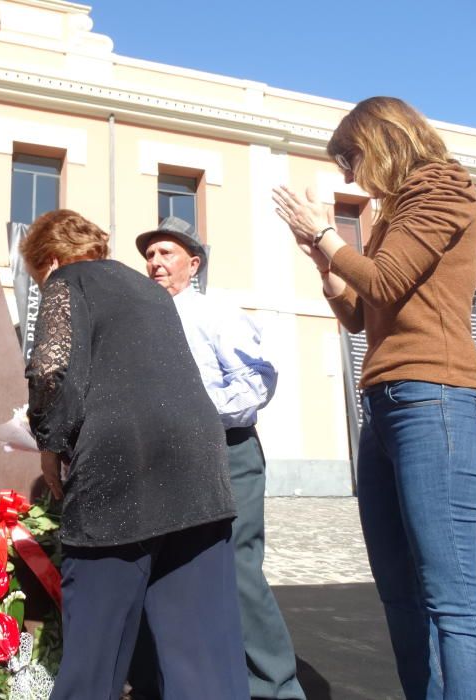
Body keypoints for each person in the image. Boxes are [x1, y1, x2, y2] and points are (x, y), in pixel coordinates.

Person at [273, 96, 476, 699]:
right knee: (401, 596)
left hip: (437, 399)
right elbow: (360, 311)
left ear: (379, 140)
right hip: (386, 406)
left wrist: (324, 233)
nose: (350, 176)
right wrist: (321, 261)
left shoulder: (442, 187)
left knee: (452, 600)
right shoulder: (392, 214)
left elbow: (385, 279)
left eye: (349, 159)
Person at [21, 209, 249, 700]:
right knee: (201, 650)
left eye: (38, 277)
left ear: (54, 258)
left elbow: (51, 371)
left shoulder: (67, 280)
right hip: (200, 468)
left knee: (95, 650)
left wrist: (49, 441)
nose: (44, 286)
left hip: (120, 470)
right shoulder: (150, 290)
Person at [131, 216, 304, 700]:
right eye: (150, 255)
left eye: (166, 253)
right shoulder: (142, 320)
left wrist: (194, 415)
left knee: (237, 569)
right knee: (174, 573)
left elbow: (256, 383)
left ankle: (276, 688)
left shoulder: (216, 313)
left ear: (194, 263)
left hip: (227, 452)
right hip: (166, 460)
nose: (156, 263)